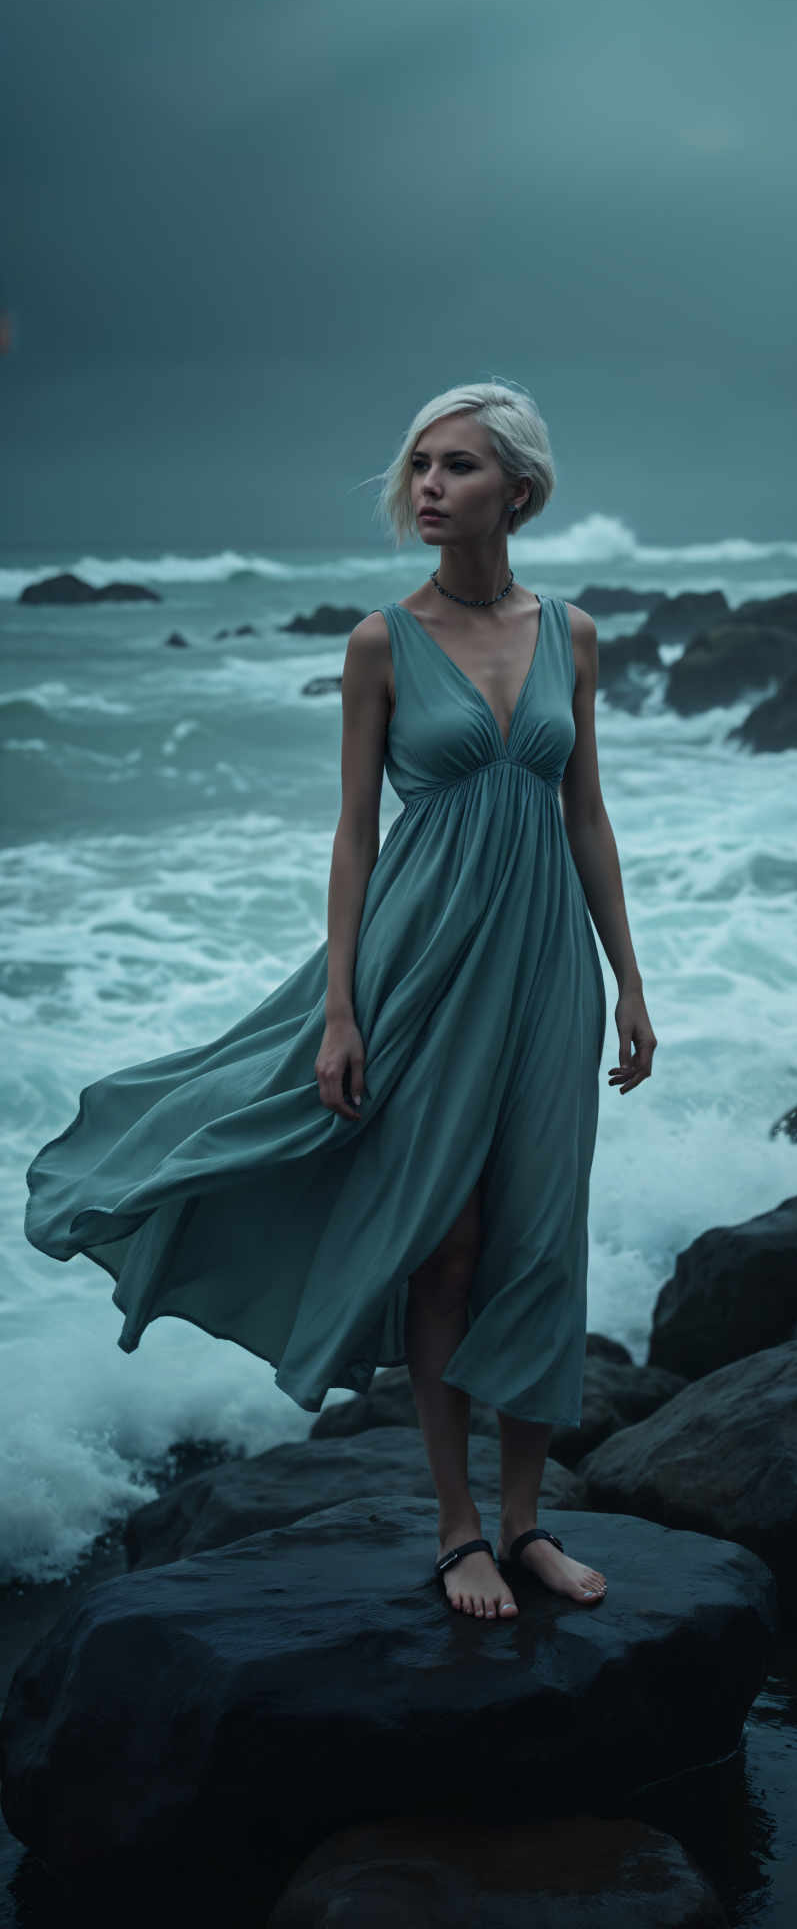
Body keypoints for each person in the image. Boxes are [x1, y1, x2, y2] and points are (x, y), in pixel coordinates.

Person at [24, 379, 657, 1622]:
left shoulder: (570, 633)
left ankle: (527, 1520)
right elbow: (354, 837)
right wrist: (339, 1008)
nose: (427, 485)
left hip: (545, 970)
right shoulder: (380, 640)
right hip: (420, 969)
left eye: (456, 465)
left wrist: (628, 977)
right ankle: (458, 1529)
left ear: (514, 490)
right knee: (446, 1241)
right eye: (418, 463)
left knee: (537, 1237)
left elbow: (584, 810)